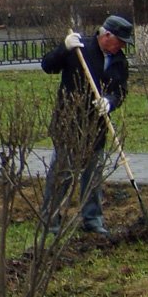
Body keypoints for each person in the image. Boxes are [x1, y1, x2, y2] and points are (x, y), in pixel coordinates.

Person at [41, 14, 132, 236]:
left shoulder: (119, 60)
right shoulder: (80, 49)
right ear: (106, 35)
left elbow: (120, 90)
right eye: (119, 41)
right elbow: (48, 66)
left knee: (93, 175)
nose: (120, 46)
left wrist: (109, 102)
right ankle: (50, 220)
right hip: (69, 123)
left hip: (97, 126)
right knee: (63, 173)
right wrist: (64, 48)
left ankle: (92, 220)